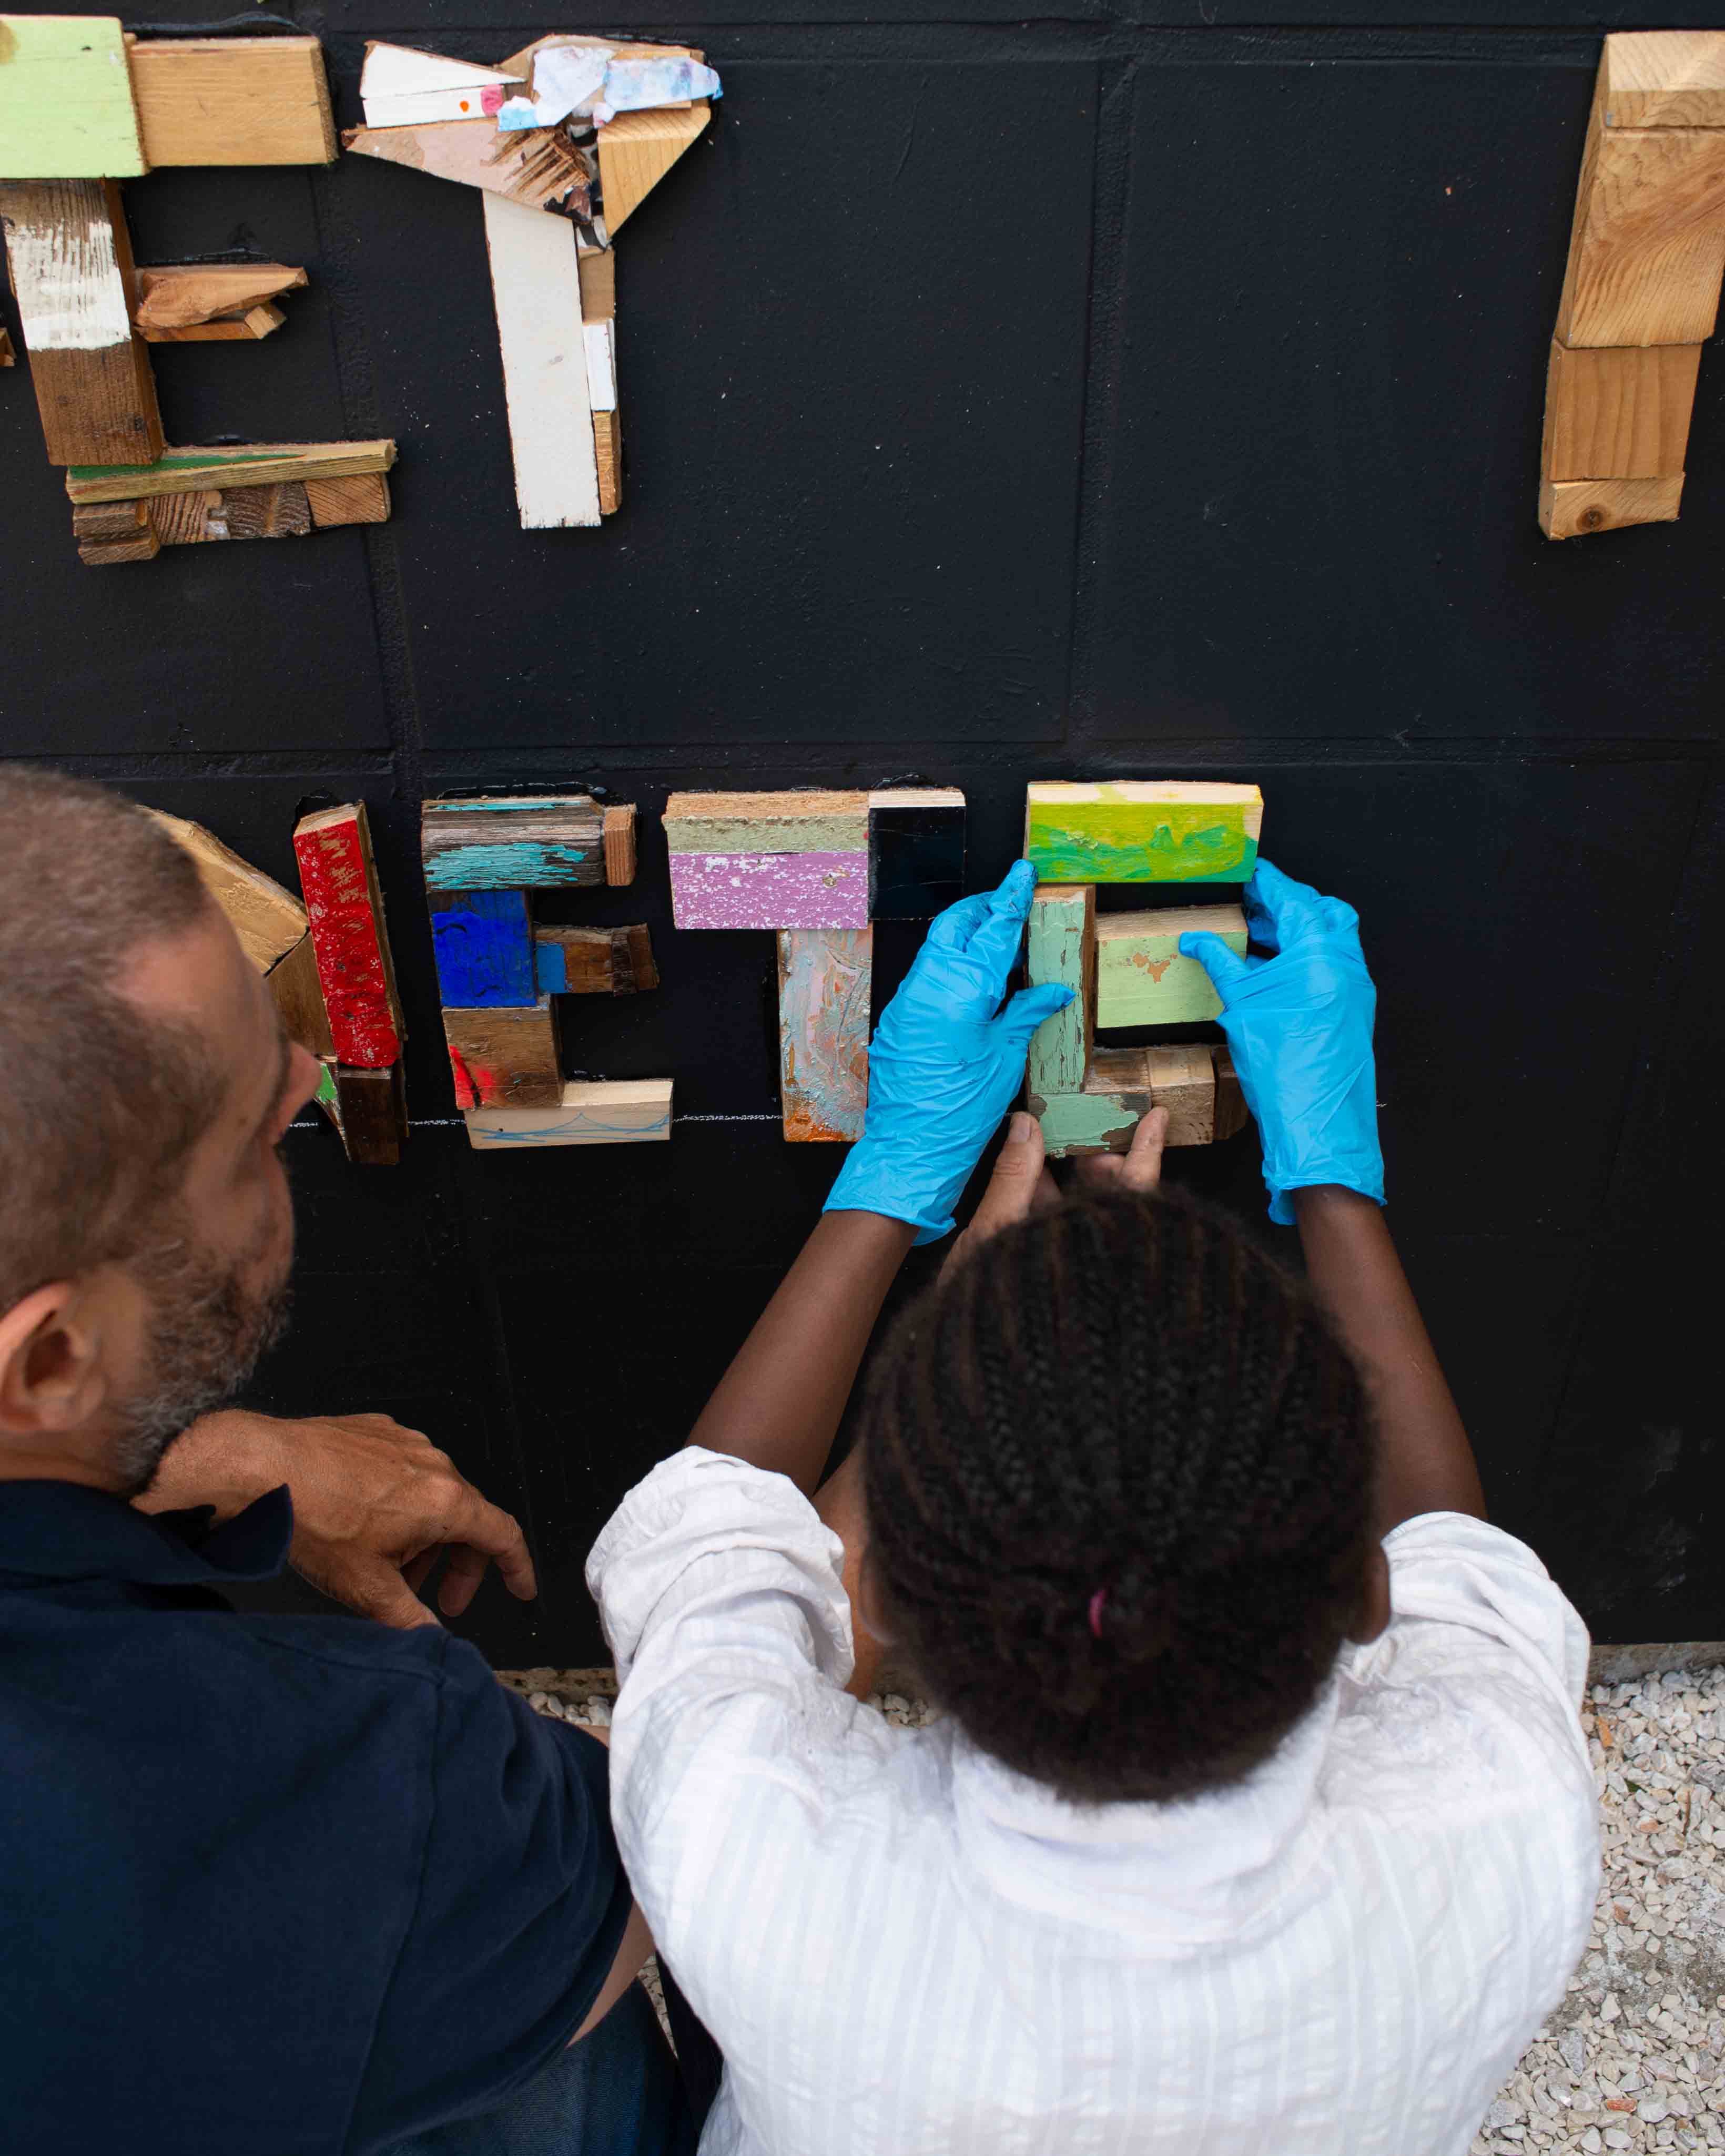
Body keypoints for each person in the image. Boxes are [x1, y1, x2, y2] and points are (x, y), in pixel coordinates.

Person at [586, 856, 1601, 2155]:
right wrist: (1330, 1169)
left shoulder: (742, 1850)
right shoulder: (1501, 1828)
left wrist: (891, 1191)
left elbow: (712, 1543)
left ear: (880, 1595)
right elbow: (1458, 1565)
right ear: (1363, 1586)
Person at [0, 769, 690, 2156]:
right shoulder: (318, 1771)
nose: (315, 1080)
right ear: (53, 1363)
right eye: (258, 1132)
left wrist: (181, 1459)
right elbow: (694, 1837)